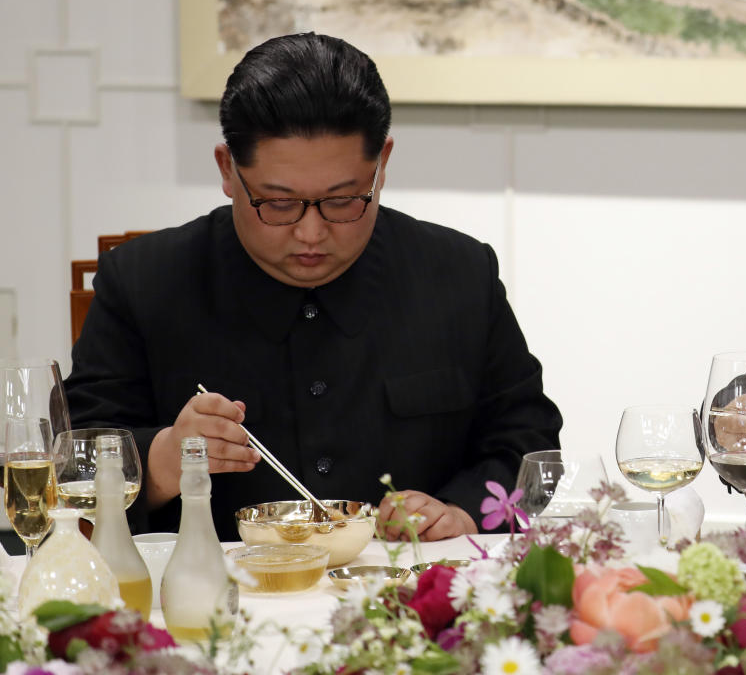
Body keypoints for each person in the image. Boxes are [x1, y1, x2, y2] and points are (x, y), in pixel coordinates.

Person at [65, 32, 562, 541]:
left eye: (343, 200)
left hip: (407, 597)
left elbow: (529, 441)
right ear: (227, 171)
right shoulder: (144, 282)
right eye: (278, 203)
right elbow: (74, 463)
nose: (310, 233)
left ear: (382, 166)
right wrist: (163, 460)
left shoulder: (459, 274)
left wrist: (463, 510)